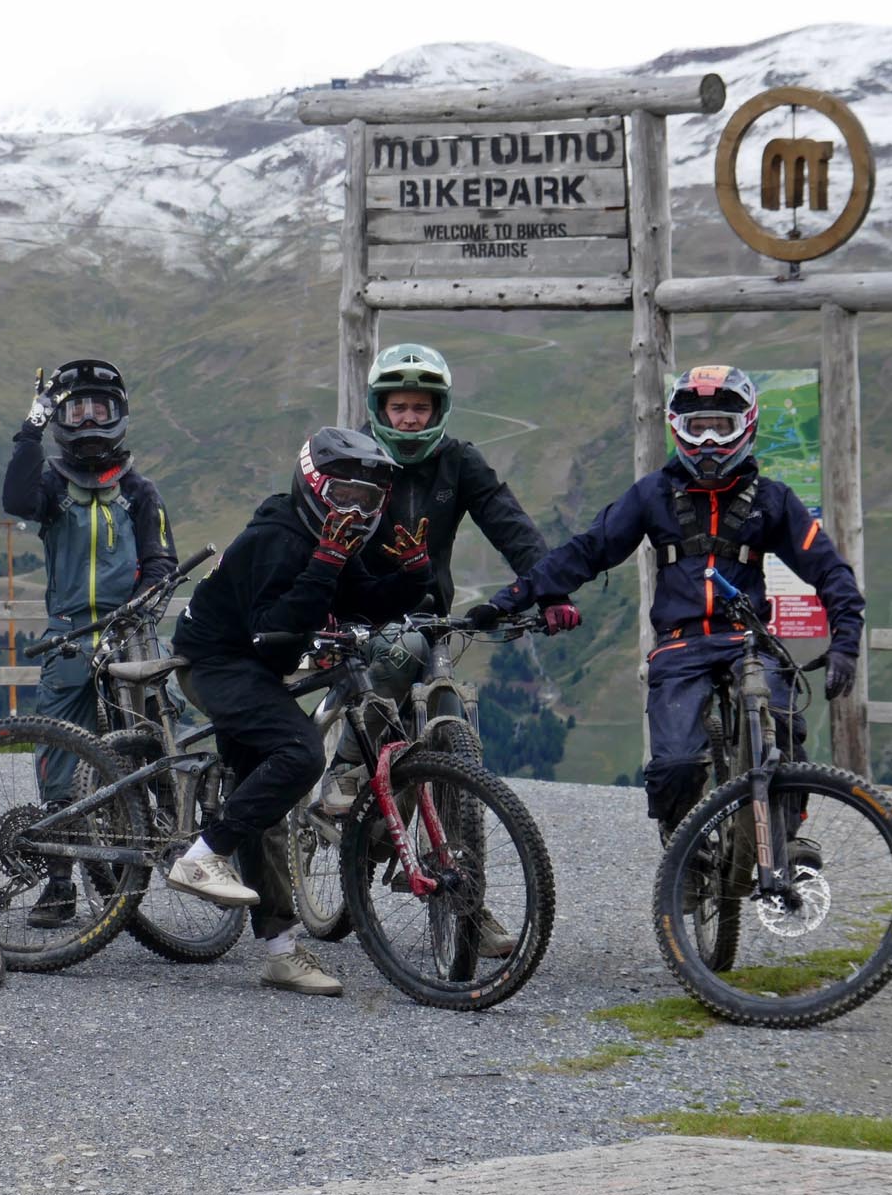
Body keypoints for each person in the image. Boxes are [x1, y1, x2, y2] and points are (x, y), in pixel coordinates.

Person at [470, 364, 864, 863]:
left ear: (746, 425)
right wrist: (511, 598)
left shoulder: (774, 500)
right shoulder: (652, 494)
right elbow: (588, 550)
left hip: (750, 641)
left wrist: (846, 641)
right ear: (678, 427)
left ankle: (786, 843)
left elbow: (829, 569)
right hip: (681, 645)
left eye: (720, 426)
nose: (708, 440)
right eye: (697, 426)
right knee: (676, 764)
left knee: (781, 724)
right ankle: (683, 845)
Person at [170, 426, 431, 995]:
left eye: (367, 499)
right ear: (312, 485)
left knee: (261, 797)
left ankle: (280, 955)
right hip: (216, 661)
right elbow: (273, 631)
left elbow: (363, 600)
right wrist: (326, 562)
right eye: (343, 495)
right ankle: (203, 854)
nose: (354, 510)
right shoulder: (279, 537)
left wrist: (414, 576)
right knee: (299, 754)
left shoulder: (329, 537)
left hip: (255, 664)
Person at [318, 342, 572, 817]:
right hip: (358, 613)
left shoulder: (458, 461)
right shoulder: (353, 459)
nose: (410, 419)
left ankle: (432, 823)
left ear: (439, 409)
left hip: (430, 614)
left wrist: (551, 590)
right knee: (401, 657)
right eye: (399, 407)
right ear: (380, 408)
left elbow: (508, 523)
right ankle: (346, 768)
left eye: (420, 408)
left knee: (426, 671)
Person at [1, 358, 177, 928]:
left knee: (155, 742)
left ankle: (177, 847)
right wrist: (29, 429)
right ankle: (59, 883)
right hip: (70, 638)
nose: (89, 420)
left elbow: (162, 563)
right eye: (76, 409)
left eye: (100, 408)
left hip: (132, 637)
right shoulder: (54, 485)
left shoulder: (140, 491)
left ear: (119, 413)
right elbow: (16, 499)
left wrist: (139, 606)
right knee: (58, 754)